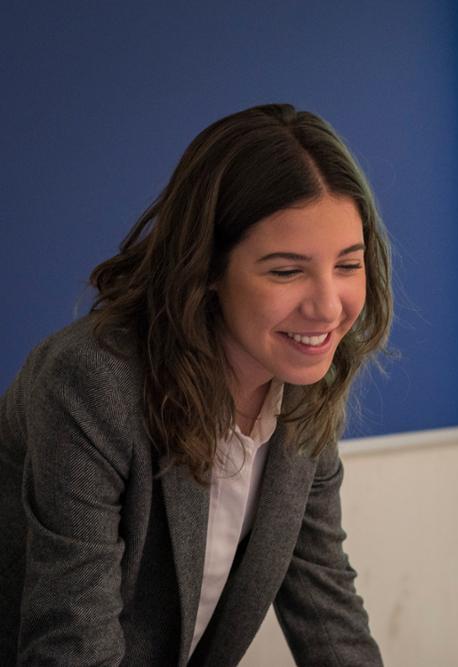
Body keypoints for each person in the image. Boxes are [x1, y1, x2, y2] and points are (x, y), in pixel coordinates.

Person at [0, 103, 391, 665]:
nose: (328, 307)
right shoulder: (90, 383)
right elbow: (71, 648)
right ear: (207, 267)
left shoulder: (298, 380)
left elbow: (329, 613)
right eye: (286, 271)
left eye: (348, 265)